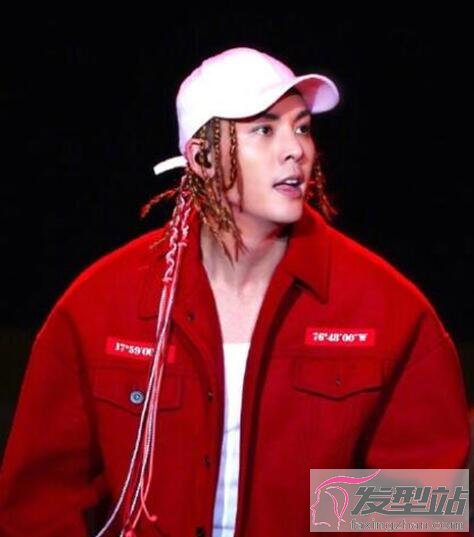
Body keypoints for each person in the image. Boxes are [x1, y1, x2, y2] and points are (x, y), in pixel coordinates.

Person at [0, 46, 469, 537]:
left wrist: (318, 512)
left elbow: (424, 506)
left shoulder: (386, 309)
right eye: (264, 129)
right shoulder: (100, 304)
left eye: (302, 127)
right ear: (202, 158)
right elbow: (40, 502)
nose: (296, 149)